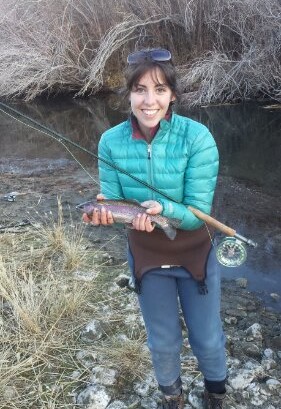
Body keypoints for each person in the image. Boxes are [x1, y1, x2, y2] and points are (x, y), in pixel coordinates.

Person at [83, 48, 227, 409]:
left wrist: (166, 211)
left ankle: (217, 393)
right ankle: (171, 397)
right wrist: (102, 213)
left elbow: (198, 212)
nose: (150, 101)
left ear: (173, 95)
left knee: (207, 338)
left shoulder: (197, 138)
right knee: (162, 341)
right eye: (140, 90)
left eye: (160, 90)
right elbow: (112, 198)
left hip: (195, 251)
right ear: (128, 94)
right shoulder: (110, 141)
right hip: (146, 254)